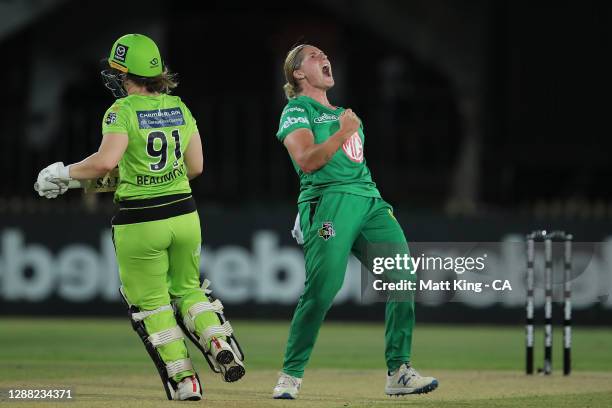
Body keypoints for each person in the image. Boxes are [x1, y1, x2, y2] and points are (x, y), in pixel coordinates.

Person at [34, 33, 244, 401]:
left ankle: (185, 380)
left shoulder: (122, 111)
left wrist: (63, 175)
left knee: (152, 304)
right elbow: (195, 166)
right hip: (184, 215)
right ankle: (216, 340)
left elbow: (104, 162)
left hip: (141, 221)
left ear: (124, 74)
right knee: (189, 290)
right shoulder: (179, 107)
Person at [272, 44, 438, 399]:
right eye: (315, 56)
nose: (325, 57)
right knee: (322, 291)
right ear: (298, 73)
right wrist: (343, 131)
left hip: (369, 200)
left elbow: (352, 164)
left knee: (403, 275)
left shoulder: (346, 114)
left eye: (325, 54)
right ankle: (290, 374)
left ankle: (399, 371)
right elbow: (307, 161)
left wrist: (346, 128)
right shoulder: (297, 110)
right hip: (330, 202)